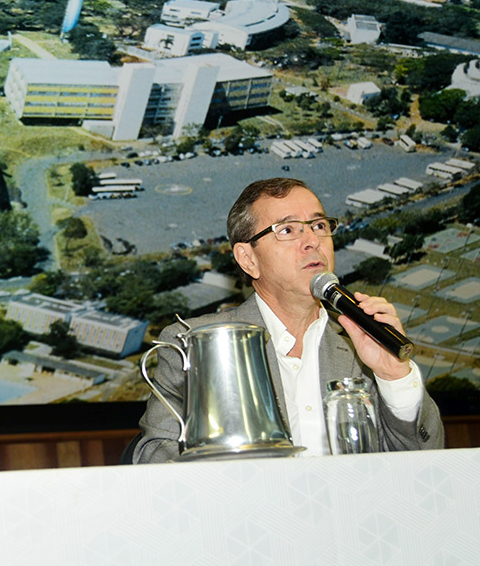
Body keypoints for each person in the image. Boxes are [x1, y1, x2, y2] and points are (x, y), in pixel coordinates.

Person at [134, 177, 444, 462]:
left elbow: (424, 464)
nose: (312, 240)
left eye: (319, 225)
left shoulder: (362, 347)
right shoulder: (195, 343)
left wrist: (395, 377)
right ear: (248, 259)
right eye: (288, 230)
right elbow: (156, 457)